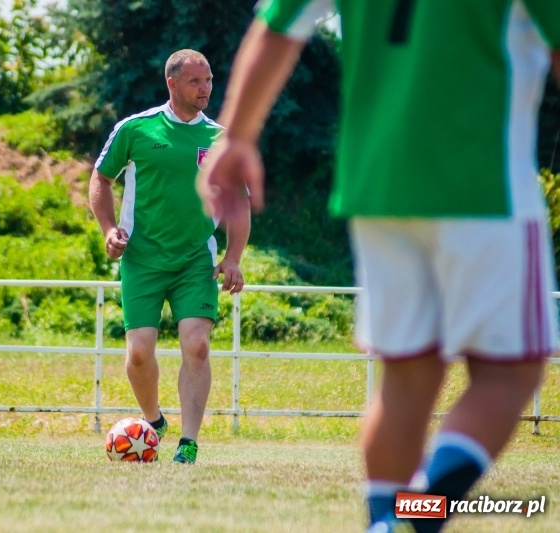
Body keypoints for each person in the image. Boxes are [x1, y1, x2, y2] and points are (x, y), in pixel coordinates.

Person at [197, 0, 560, 530]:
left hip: (378, 186)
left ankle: (384, 521)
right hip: (484, 184)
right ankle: (417, 511)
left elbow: (277, 25)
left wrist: (236, 137)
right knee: (511, 371)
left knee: (406, 379)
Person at [89, 49, 250, 465]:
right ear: (172, 83)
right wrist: (109, 230)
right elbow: (101, 179)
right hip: (141, 259)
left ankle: (188, 444)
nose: (205, 88)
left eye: (209, 80)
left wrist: (232, 257)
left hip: (196, 261)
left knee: (197, 345)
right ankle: (154, 422)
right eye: (196, 81)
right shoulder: (135, 129)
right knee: (140, 353)